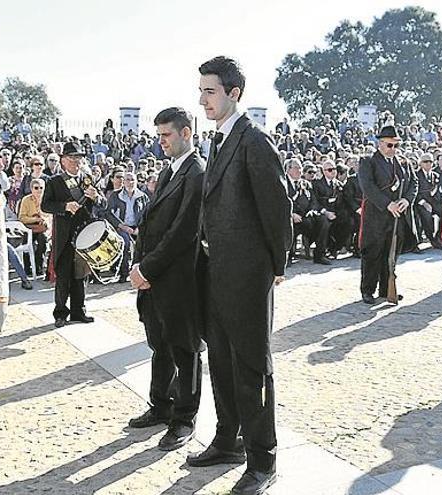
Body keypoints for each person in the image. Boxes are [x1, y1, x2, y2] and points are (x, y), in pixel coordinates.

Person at [190, 56, 292, 495]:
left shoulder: (254, 141)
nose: (201, 99)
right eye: (201, 90)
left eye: (209, 91)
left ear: (234, 93)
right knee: (221, 364)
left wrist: (274, 268)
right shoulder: (218, 140)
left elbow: (278, 208)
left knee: (251, 367)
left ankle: (262, 459)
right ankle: (228, 440)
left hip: (247, 276)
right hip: (215, 272)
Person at [126, 107, 205, 452]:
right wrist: (139, 263)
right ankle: (160, 405)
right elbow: (151, 224)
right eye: (159, 136)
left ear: (186, 133)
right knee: (160, 345)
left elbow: (183, 231)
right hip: (156, 279)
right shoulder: (169, 170)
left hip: (180, 280)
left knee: (184, 351)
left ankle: (184, 418)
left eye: (167, 135)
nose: (161, 142)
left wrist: (147, 268)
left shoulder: (197, 172)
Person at [40, 141, 101, 328]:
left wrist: (96, 197)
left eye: (78, 158)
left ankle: (79, 311)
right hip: (65, 234)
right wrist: (65, 206)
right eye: (72, 158)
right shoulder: (55, 182)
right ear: (63, 160)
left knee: (81, 275)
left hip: (84, 233)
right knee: (64, 275)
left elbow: (102, 204)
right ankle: (60, 313)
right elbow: (45, 205)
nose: (76, 161)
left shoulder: (87, 179)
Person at [357, 125, 418, 305]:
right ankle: (368, 290)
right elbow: (368, 187)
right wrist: (387, 204)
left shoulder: (404, 163)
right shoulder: (368, 161)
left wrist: (406, 200)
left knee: (391, 253)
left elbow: (413, 183)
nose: (393, 150)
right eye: (389, 145)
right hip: (376, 215)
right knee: (372, 253)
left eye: (395, 146)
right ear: (380, 144)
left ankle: (385, 289)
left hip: (398, 216)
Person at [104, 171, 149, 282]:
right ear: (123, 182)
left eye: (133, 179)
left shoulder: (143, 197)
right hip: (121, 227)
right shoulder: (115, 196)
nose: (130, 182)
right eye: (127, 180)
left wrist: (140, 228)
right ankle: (124, 273)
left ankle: (140, 273)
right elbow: (108, 214)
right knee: (125, 242)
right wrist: (121, 226)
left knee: (144, 243)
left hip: (137, 227)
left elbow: (148, 214)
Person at [18, 178, 51, 275]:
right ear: (31, 189)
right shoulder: (26, 200)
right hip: (29, 227)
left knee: (43, 240)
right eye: (36, 188)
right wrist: (35, 219)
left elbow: (50, 216)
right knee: (26, 240)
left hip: (43, 228)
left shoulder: (47, 200)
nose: (39, 190)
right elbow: (22, 217)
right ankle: (27, 268)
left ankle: (38, 267)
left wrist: (43, 218)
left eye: (41, 188)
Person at [414, 152, 442, 250]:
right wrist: (424, 203)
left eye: (430, 162)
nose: (428, 164)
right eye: (425, 161)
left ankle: (438, 237)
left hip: (433, 202)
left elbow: (439, 191)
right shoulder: (416, 175)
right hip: (420, 203)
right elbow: (414, 192)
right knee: (427, 215)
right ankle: (431, 239)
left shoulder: (435, 175)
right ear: (420, 163)